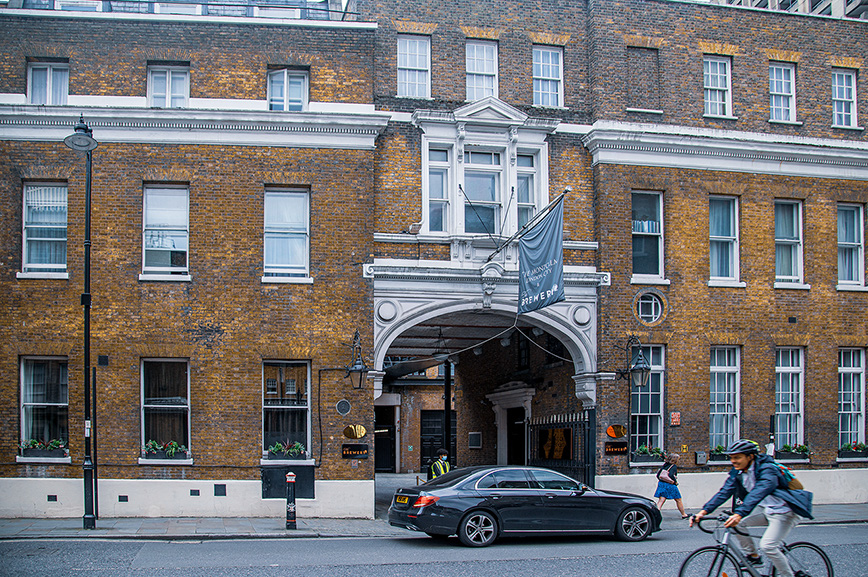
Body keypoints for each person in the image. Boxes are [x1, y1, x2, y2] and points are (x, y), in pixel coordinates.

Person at [691, 439, 813, 577]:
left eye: (737, 457)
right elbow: (725, 491)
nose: (733, 461)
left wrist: (739, 513)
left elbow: (758, 492)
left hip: (784, 512)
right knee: (737, 525)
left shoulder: (768, 469)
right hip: (767, 510)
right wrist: (703, 511)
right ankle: (753, 556)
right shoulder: (739, 471)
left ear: (750, 457)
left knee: (768, 546)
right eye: (731, 458)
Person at [655, 452, 688, 519]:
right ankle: (684, 514)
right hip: (670, 485)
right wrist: (674, 482)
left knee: (661, 500)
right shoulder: (673, 466)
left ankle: (656, 514)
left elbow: (658, 475)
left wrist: (663, 480)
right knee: (678, 499)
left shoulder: (665, 465)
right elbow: (671, 475)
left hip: (661, 484)